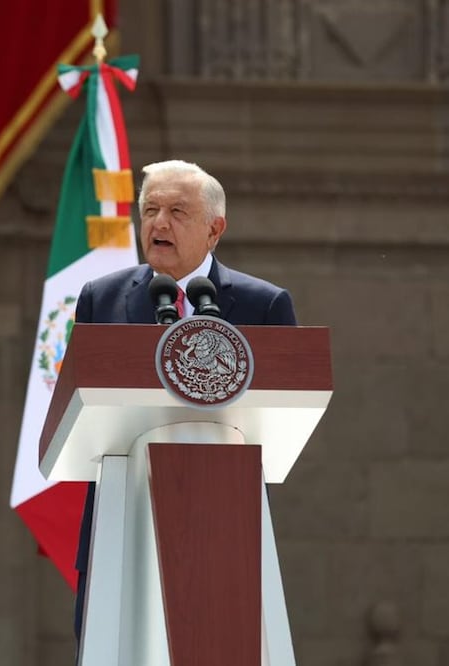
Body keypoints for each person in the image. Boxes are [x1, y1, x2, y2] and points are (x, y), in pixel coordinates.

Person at [71, 159, 297, 640]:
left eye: (177, 210)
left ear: (215, 229)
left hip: (224, 522)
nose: (159, 223)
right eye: (150, 209)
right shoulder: (101, 298)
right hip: (121, 518)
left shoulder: (264, 305)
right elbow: (76, 402)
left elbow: (286, 409)